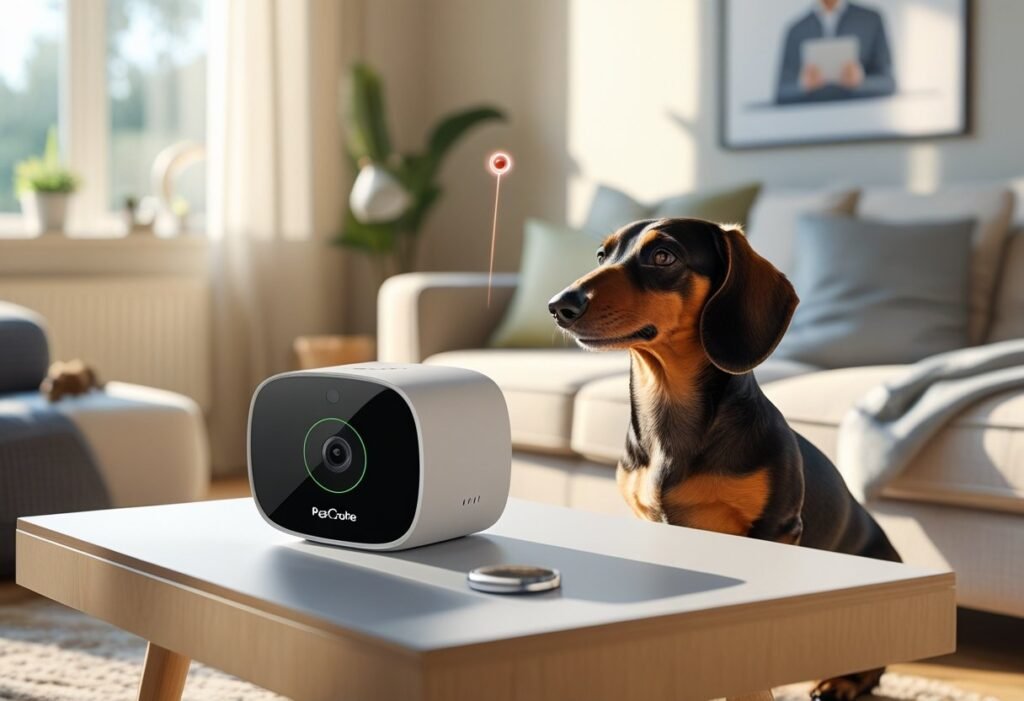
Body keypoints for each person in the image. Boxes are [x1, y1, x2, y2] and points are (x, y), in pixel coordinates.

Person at [776, 0, 895, 104]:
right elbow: (782, 91)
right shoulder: (797, 30)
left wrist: (861, 83)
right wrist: (802, 85)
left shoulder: (870, 20)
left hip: (862, 119)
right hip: (813, 121)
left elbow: (888, 83)